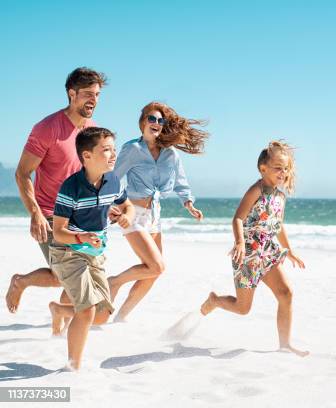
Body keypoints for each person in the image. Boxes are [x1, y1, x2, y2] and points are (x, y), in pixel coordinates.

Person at [6, 67, 107, 313]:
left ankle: (57, 313)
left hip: (80, 215)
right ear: (72, 94)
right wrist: (35, 214)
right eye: (87, 94)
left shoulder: (92, 130)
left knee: (68, 274)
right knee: (68, 275)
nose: (93, 99)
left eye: (97, 94)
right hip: (51, 214)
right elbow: (22, 173)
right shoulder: (47, 128)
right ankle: (24, 284)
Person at [200, 141, 308, 357]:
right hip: (248, 254)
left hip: (268, 252)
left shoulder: (280, 196)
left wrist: (291, 250)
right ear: (263, 169)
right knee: (243, 308)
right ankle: (215, 301)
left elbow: (277, 226)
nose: (283, 172)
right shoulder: (256, 190)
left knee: (286, 294)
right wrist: (239, 242)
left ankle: (285, 344)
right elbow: (238, 218)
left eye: (286, 168)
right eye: (278, 167)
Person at [109, 102, 207, 321]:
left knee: (154, 272)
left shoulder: (170, 154)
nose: (155, 123)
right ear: (143, 122)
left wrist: (188, 203)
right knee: (156, 265)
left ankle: (121, 316)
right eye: (151, 119)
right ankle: (114, 282)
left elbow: (181, 182)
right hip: (133, 213)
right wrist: (111, 204)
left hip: (154, 216)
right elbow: (112, 177)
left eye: (160, 120)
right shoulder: (132, 149)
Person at [48, 127, 134, 370]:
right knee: (86, 311)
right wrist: (81, 237)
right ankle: (72, 367)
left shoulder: (113, 181)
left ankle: (59, 310)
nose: (113, 155)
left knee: (103, 314)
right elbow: (58, 231)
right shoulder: (70, 188)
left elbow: (127, 206)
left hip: (96, 253)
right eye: (106, 150)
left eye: (113, 149)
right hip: (68, 252)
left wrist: (127, 215)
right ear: (86, 156)